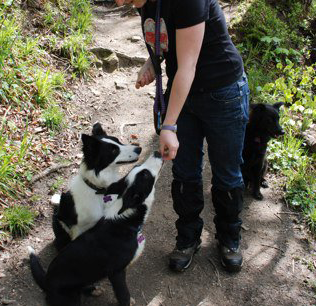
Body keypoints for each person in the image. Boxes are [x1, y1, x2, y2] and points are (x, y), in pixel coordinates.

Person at [114, 0, 249, 273]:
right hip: (183, 96)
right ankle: (188, 238)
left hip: (223, 92)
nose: (120, 3)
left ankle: (229, 238)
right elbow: (169, 38)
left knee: (227, 174)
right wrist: (152, 62)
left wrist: (169, 125)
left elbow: (188, 64)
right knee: (185, 173)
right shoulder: (143, 2)